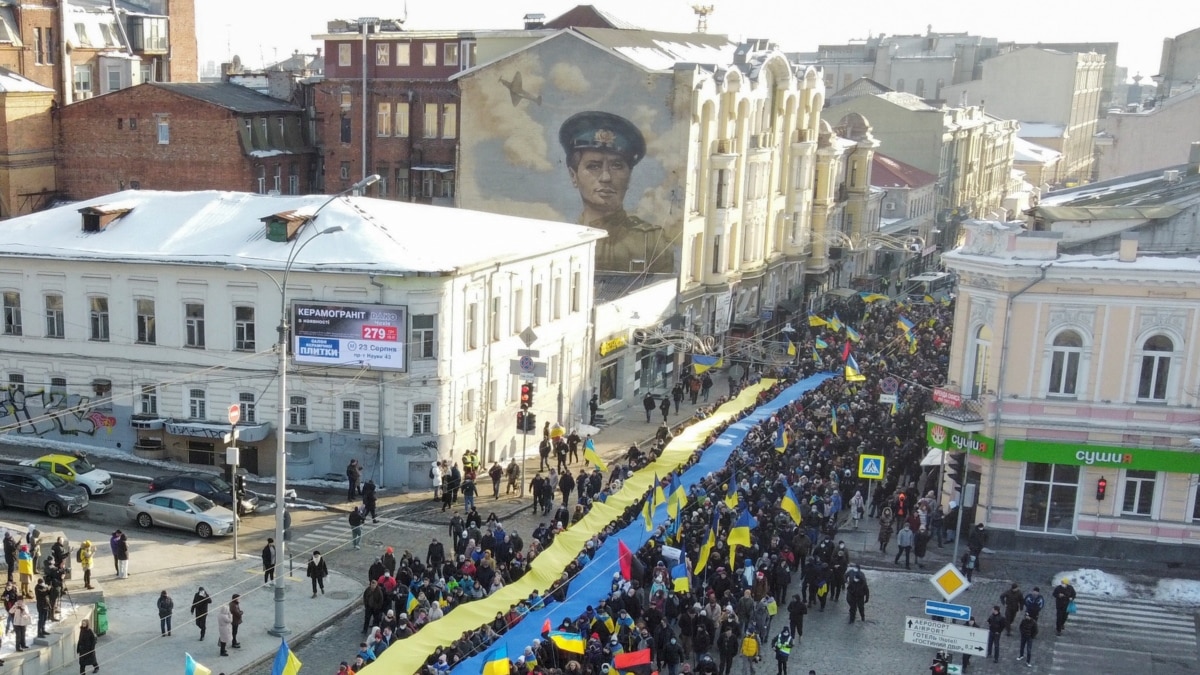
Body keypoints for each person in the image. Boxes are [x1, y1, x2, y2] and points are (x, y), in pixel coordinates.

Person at [558, 110, 669, 273]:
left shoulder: (651, 241)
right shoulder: (562, 241)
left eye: (617, 166)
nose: (606, 177)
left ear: (629, 175)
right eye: (593, 166)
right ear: (573, 176)